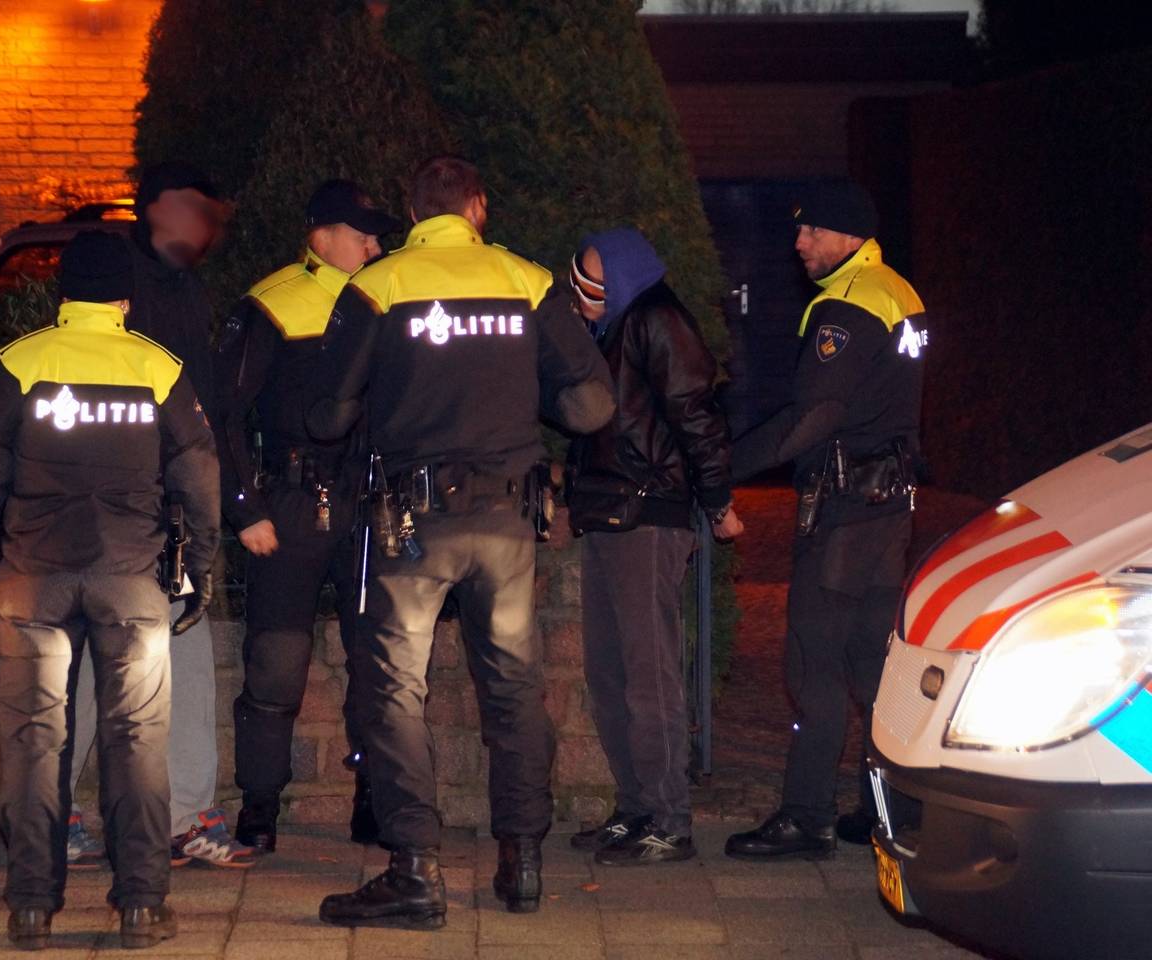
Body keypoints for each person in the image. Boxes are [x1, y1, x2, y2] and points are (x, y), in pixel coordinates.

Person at [311, 156, 615, 928]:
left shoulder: (378, 286)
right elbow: (589, 408)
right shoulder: (527, 281)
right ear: (477, 208)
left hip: (413, 529)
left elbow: (327, 416)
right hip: (509, 525)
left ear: (415, 214)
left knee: (394, 692)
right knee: (513, 689)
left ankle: (415, 871)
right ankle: (523, 863)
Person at [0, 230, 220, 949]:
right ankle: (141, 906)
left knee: (34, 742)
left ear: (64, 292)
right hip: (130, 582)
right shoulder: (156, 367)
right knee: (137, 740)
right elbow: (198, 474)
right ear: (125, 296)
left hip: (31, 581)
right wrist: (200, 567)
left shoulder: (21, 361)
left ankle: (32, 908)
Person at [724, 182, 926, 860]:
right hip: (890, 508)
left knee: (813, 662)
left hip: (843, 514)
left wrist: (723, 466)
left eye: (811, 232)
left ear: (846, 235)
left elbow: (812, 417)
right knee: (871, 666)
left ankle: (806, 816)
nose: (799, 244)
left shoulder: (844, 305)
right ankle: (883, 810)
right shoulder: (900, 291)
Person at [64, 162, 258, 870]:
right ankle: (52, 811)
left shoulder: (184, 287)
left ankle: (185, 818)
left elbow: (201, 406)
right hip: (110, 514)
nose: (203, 227)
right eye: (192, 210)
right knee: (86, 664)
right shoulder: (113, 279)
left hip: (171, 510)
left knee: (189, 659)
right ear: (154, 209)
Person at [213, 179, 401, 852]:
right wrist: (246, 510)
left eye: (378, 236)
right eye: (363, 234)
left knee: (378, 663)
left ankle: (374, 800)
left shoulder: (384, 297)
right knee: (275, 664)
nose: (376, 245)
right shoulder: (272, 303)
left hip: (367, 500)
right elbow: (223, 414)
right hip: (291, 506)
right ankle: (259, 809)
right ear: (321, 235)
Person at [565, 228, 742, 866]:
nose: (581, 295)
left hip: (647, 513)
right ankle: (637, 806)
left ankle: (669, 820)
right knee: (609, 672)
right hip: (610, 512)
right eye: (579, 281)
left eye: (593, 284)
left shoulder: (657, 320)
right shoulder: (612, 329)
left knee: (650, 675)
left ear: (623, 277)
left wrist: (717, 502)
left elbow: (696, 413)